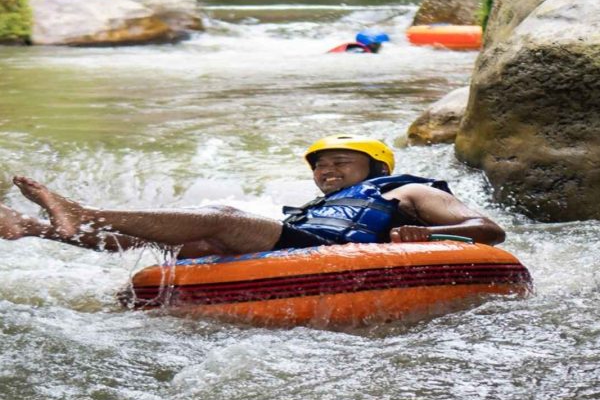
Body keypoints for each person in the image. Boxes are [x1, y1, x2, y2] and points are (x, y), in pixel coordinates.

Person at [0, 135, 505, 258]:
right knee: (182, 246)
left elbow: (488, 230)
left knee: (223, 216)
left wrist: (427, 234)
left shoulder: (407, 187)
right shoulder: (312, 209)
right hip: (301, 247)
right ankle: (37, 228)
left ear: (375, 168)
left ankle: (78, 212)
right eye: (319, 165)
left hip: (336, 255)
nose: (326, 170)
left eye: (339, 162)